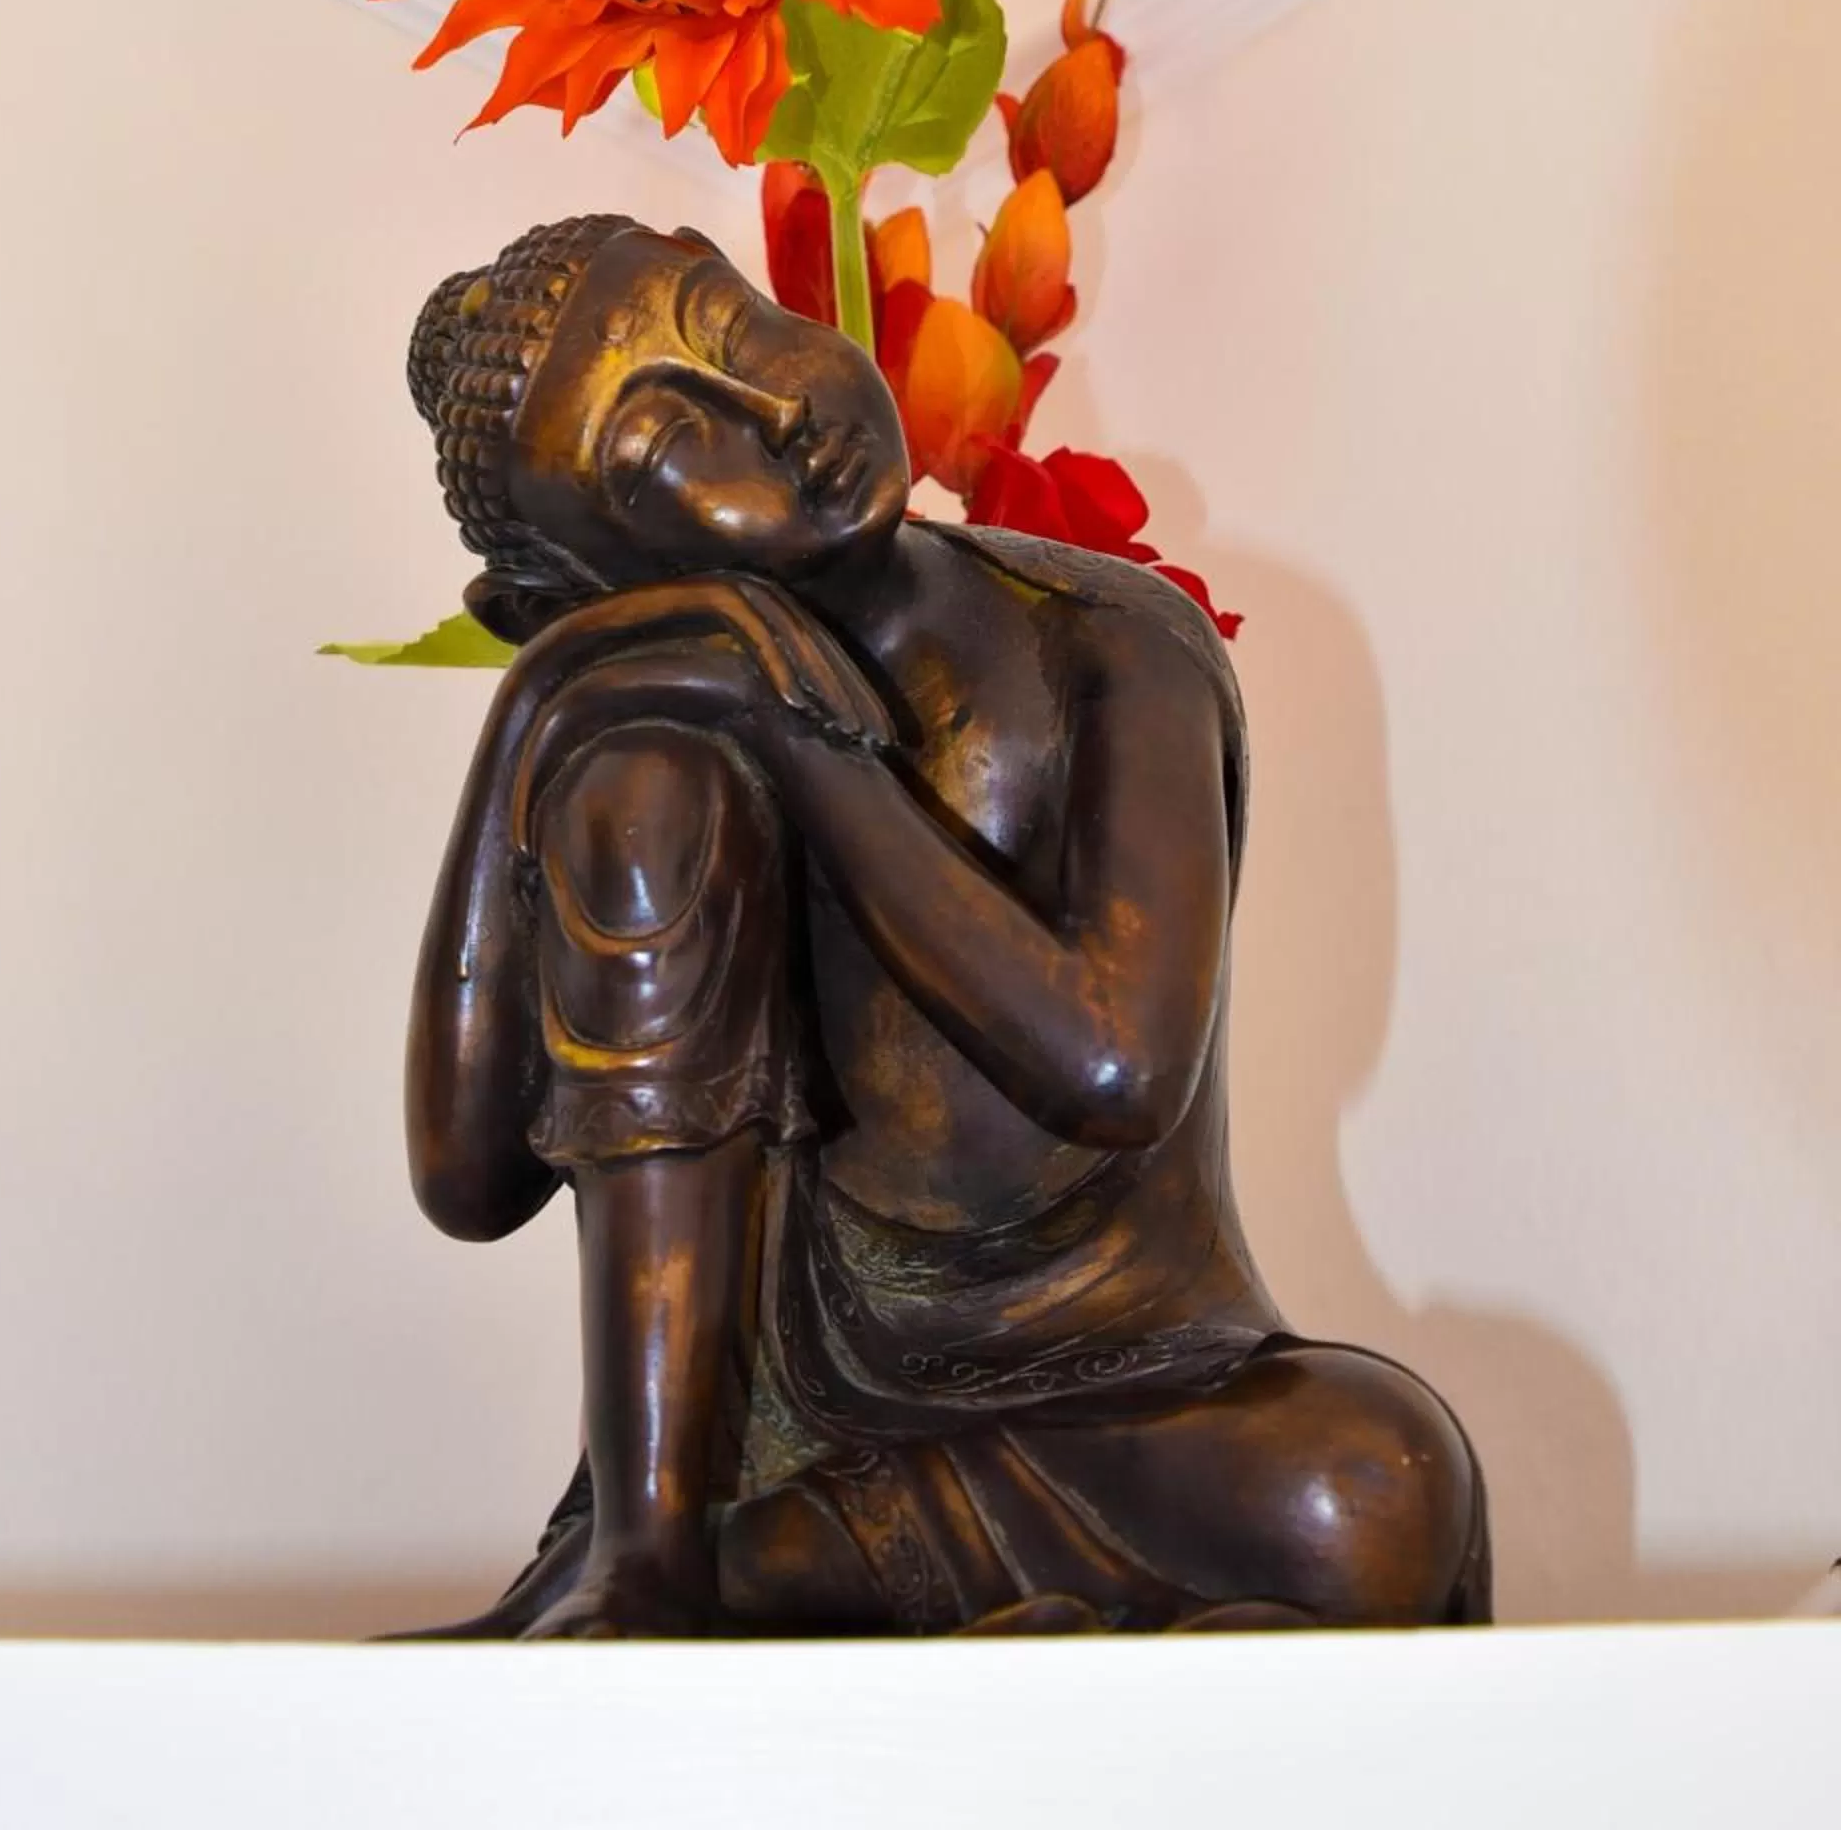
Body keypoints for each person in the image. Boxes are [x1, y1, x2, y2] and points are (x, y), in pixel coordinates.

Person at [399, 212, 1489, 1636]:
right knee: (647, 773)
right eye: (668, 456)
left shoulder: (1110, 641)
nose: (767, 419)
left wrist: (803, 743)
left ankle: (801, 1610)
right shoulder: (659, 756)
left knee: (1377, 1479)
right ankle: (652, 1575)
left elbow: (1114, 1066)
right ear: (585, 589)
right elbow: (469, 1182)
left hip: (1118, 1393)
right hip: (791, 1424)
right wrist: (538, 710)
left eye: (734, 334)